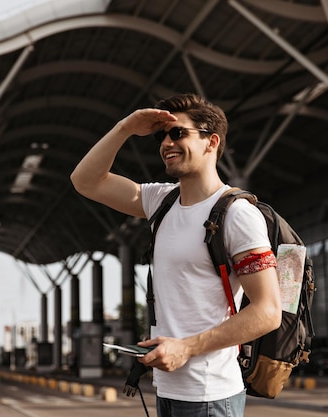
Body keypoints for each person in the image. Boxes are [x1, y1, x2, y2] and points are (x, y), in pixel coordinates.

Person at [70, 93, 282, 417]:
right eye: (161, 136)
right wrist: (125, 128)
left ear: (211, 142)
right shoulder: (161, 201)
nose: (166, 143)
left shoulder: (237, 215)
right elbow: (85, 181)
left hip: (209, 396)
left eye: (178, 133)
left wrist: (186, 348)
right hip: (168, 390)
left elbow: (268, 311)